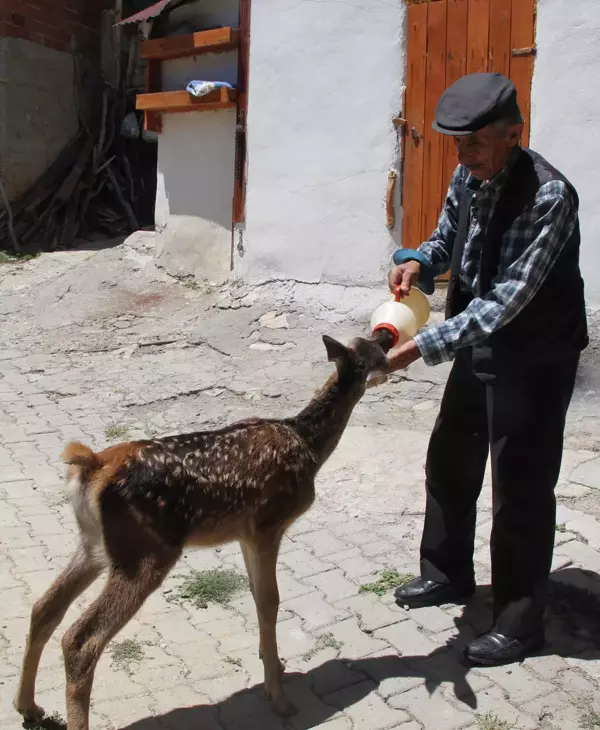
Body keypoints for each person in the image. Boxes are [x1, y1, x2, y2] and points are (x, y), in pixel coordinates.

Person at [385, 72, 588, 666]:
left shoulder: (550, 195)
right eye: (455, 143)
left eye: (474, 142)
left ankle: (521, 623)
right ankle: (447, 573)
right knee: (452, 452)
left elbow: (508, 298)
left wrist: (425, 346)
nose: (463, 154)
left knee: (520, 486)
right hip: (476, 340)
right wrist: (419, 260)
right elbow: (449, 236)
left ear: (512, 134)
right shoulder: (467, 173)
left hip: (536, 352)